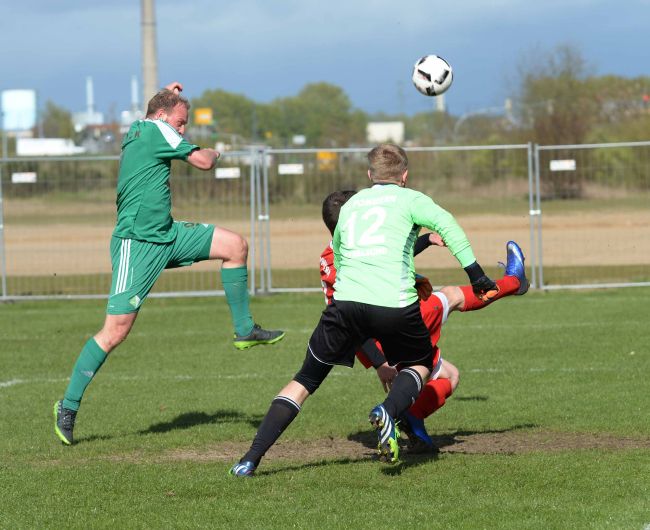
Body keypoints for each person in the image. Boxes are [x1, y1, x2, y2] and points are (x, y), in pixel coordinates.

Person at [230, 143, 498, 476]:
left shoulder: (353, 205)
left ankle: (250, 459)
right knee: (421, 363)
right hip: (392, 304)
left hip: (345, 305)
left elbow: (341, 254)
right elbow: (449, 226)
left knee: (304, 380)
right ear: (404, 175)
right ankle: (389, 411)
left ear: (370, 175)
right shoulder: (411, 199)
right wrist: (477, 275)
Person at [53, 82, 284, 446]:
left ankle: (244, 330)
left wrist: (167, 92)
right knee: (115, 331)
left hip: (167, 234)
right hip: (137, 244)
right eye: (180, 122)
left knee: (235, 246)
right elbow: (203, 162)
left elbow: (157, 111)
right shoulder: (157, 129)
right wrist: (216, 152)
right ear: (162, 117)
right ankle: (67, 407)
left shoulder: (143, 126)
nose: (183, 129)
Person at [319, 190, 529, 451]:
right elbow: (352, 321)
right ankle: (515, 281)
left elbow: (389, 256)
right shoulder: (345, 258)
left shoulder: (335, 255)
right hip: (390, 327)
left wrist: (427, 240)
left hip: (378, 336)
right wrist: (380, 362)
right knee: (452, 295)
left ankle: (413, 419)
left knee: (449, 376)